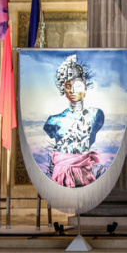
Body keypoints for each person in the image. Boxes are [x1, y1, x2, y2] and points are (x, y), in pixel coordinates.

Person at [43, 55, 105, 187]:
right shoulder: (54, 120)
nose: (72, 90)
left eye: (77, 85)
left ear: (85, 87)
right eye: (68, 85)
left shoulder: (95, 115)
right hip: (61, 176)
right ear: (63, 88)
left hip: (84, 175)